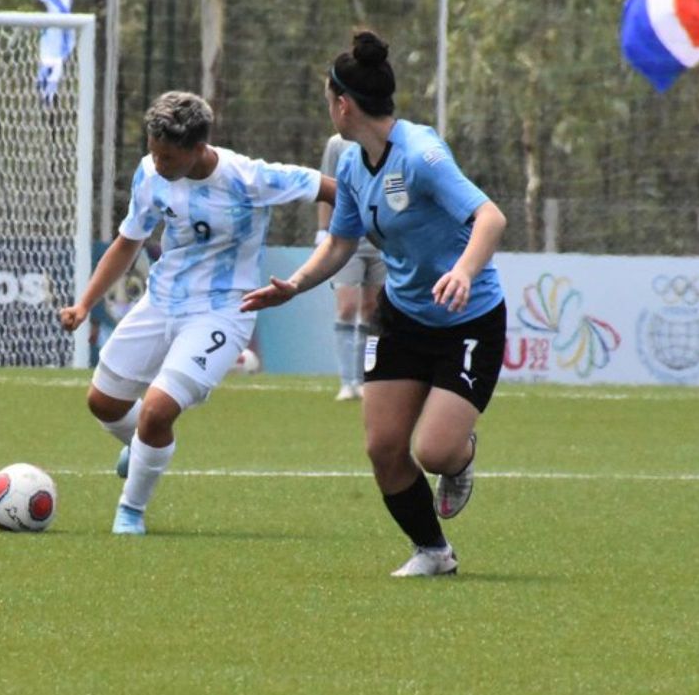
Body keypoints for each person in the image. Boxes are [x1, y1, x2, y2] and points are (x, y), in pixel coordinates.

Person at [241, 31, 507, 577]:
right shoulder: (352, 162)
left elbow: (490, 217)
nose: (327, 112)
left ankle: (460, 456)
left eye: (326, 102)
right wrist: (294, 285)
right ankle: (433, 552)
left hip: (469, 318)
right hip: (402, 316)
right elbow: (340, 243)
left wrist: (462, 270)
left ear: (343, 104)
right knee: (384, 448)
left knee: (433, 452)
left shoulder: (422, 154)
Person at [59, 90, 336, 535]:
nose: (159, 164)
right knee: (103, 401)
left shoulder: (248, 178)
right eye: (153, 152)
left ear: (197, 148)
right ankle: (143, 448)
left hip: (223, 311)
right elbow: (129, 240)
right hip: (162, 300)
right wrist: (85, 302)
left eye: (168, 156)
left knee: (155, 412)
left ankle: (131, 511)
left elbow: (334, 191)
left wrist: (351, 237)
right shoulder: (151, 172)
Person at [317, 133, 385, 401]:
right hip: (347, 237)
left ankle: (366, 378)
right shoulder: (337, 143)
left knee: (372, 310)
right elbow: (325, 188)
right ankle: (348, 381)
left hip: (380, 239)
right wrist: (323, 230)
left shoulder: (388, 139)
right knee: (346, 307)